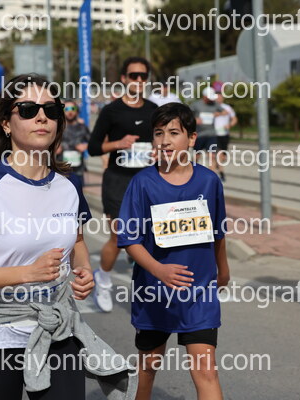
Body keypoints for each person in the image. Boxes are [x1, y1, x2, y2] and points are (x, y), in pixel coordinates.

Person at [0, 73, 136, 400]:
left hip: (55, 323)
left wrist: (84, 272)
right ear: (6, 123)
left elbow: (77, 242)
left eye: (51, 110)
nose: (41, 117)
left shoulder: (69, 184)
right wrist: (27, 273)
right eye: (28, 109)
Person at [118, 103, 229, 400]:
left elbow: (218, 233)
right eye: (158, 133)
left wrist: (224, 270)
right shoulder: (142, 183)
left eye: (173, 133)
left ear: (191, 138)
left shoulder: (209, 181)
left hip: (199, 293)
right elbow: (129, 239)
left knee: (206, 371)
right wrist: (159, 270)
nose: (165, 140)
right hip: (155, 293)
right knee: (148, 368)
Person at [87, 56, 158, 312]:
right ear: (124, 79)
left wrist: (158, 151)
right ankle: (103, 281)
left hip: (146, 181)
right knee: (119, 236)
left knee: (149, 237)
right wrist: (119, 143)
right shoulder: (111, 111)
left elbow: (161, 141)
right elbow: (93, 148)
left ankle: (149, 288)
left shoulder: (153, 110)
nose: (138, 80)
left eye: (143, 76)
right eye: (133, 76)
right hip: (117, 180)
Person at [190, 87, 226, 171]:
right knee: (196, 156)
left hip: (211, 134)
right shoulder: (196, 105)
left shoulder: (215, 104)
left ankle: (211, 175)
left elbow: (225, 112)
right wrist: (194, 119)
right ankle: (192, 172)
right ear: (204, 96)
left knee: (212, 156)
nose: (211, 100)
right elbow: (187, 115)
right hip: (199, 134)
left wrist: (219, 114)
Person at [58, 100, 90, 186]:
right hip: (60, 169)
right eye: (66, 109)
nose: (70, 111)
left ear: (77, 111)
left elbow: (92, 141)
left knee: (78, 192)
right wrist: (55, 148)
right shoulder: (57, 127)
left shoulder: (82, 127)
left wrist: (85, 146)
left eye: (72, 108)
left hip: (78, 170)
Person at [213, 92, 237, 182]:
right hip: (214, 134)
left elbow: (234, 119)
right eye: (217, 97)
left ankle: (217, 167)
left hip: (224, 134)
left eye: (220, 97)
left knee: (223, 156)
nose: (219, 99)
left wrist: (230, 125)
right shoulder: (212, 107)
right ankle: (221, 173)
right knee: (217, 154)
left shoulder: (227, 107)